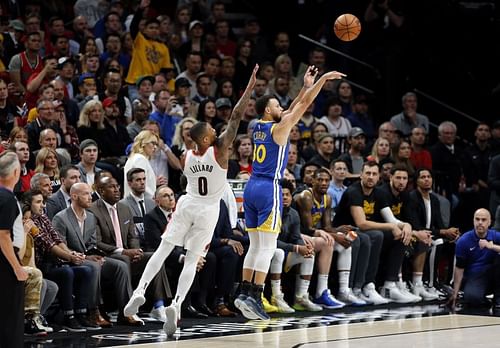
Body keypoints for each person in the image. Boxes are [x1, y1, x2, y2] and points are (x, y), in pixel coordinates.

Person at [123, 64, 259, 336]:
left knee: (163, 250)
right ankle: (177, 303)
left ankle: (139, 291)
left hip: (187, 202)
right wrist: (250, 88)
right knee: (192, 259)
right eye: (211, 129)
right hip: (208, 209)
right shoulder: (219, 151)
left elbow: (186, 179)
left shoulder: (187, 155)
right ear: (208, 138)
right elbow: (235, 116)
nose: (215, 130)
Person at [235, 66, 346, 320]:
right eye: (277, 106)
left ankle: (243, 293)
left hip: (251, 187)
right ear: (268, 109)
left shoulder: (258, 126)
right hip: (268, 189)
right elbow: (304, 104)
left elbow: (293, 106)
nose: (282, 108)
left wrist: (305, 85)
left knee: (255, 246)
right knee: (268, 247)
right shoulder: (280, 128)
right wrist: (322, 81)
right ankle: (255, 296)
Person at [449, 208, 500, 311]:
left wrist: (492, 247)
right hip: (475, 276)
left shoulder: (495, 236)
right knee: (472, 298)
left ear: (490, 222)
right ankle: (485, 300)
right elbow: (459, 268)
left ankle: (498, 299)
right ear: (473, 221)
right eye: (477, 219)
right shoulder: (463, 241)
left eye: (483, 220)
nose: (480, 222)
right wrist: (455, 293)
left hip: (494, 273)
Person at [0, 151, 26, 348]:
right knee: (10, 319)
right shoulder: (7, 198)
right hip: (5, 264)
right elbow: (3, 235)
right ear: (16, 172)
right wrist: (17, 267)